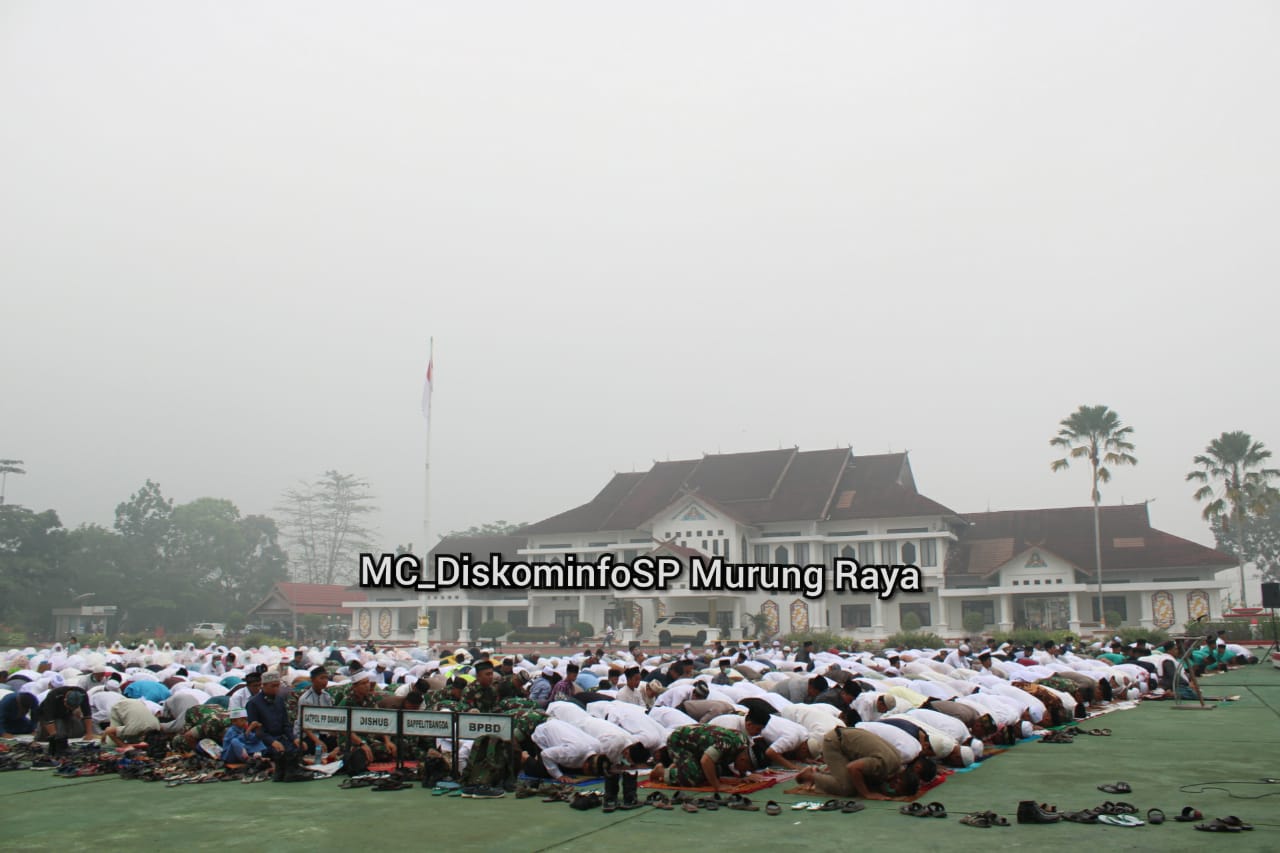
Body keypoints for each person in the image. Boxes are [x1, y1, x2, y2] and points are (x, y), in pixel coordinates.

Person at [796, 726, 936, 800]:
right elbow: (853, 768)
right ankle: (811, 776)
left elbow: (877, 779)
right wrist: (866, 794)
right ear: (898, 780)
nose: (891, 788)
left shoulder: (896, 764)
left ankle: (827, 774)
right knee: (848, 789)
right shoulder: (884, 765)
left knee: (870, 784)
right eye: (895, 788)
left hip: (846, 740)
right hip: (835, 744)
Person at [246, 672, 296, 779]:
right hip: (264, 742)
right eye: (273, 686)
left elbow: (286, 725)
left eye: (278, 685)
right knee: (280, 752)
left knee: (297, 747)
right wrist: (272, 742)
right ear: (263, 686)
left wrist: (294, 738)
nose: (276, 688)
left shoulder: (279, 700)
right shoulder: (253, 703)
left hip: (281, 738)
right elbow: (256, 731)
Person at [36, 686, 95, 754]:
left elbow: (87, 715)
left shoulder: (82, 694)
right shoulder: (54, 695)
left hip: (67, 714)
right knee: (58, 735)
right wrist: (55, 739)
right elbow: (48, 719)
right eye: (69, 706)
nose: (71, 708)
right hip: (47, 714)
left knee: (79, 731)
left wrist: (89, 733)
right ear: (65, 699)